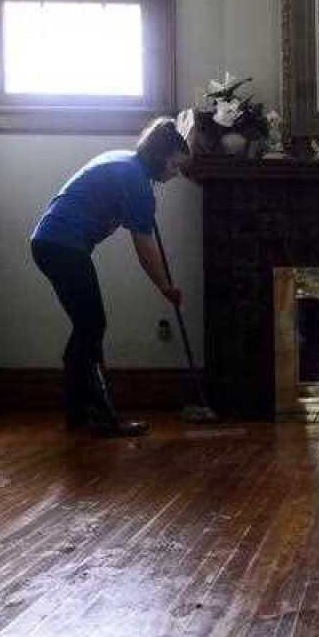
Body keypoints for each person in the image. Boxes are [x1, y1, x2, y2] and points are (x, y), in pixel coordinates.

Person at [30, 118, 190, 437]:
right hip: (62, 244)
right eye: (174, 165)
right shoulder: (135, 181)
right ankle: (99, 417)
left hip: (49, 242)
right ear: (160, 158)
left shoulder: (126, 165)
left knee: (87, 328)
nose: (176, 173)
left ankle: (80, 414)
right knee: (92, 326)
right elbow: (144, 248)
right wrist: (166, 287)